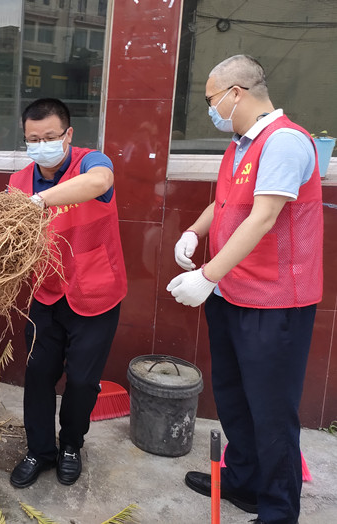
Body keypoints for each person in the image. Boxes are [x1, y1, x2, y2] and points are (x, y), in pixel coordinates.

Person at [167, 55, 323, 524]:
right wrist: (193, 232)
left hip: (275, 303)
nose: (211, 109)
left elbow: (263, 216)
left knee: (272, 411)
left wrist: (206, 274)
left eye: (213, 99)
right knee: (234, 397)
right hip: (233, 293)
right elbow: (226, 202)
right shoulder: (241, 144)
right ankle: (242, 481)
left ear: (237, 93)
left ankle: (277, 511)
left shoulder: (286, 142)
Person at [8, 98, 127, 488]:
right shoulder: (19, 181)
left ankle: (71, 444)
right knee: (39, 375)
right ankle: (39, 450)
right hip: (46, 293)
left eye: (50, 137)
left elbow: (99, 184)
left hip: (95, 293)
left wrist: (41, 200)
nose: (42, 144)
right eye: (33, 138)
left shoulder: (92, 162)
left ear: (68, 135)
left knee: (81, 380)